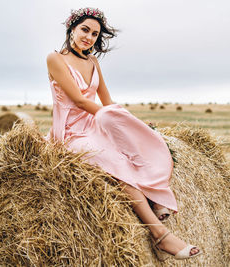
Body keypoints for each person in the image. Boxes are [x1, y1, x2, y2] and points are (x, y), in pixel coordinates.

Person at [46, 7, 202, 261]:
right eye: (85, 29)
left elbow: (107, 101)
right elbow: (80, 101)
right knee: (117, 164)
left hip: (95, 124)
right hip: (72, 132)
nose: (89, 37)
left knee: (138, 147)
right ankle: (160, 235)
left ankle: (156, 195)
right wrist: (119, 121)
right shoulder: (55, 59)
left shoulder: (92, 62)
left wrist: (131, 126)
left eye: (95, 34)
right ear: (71, 28)